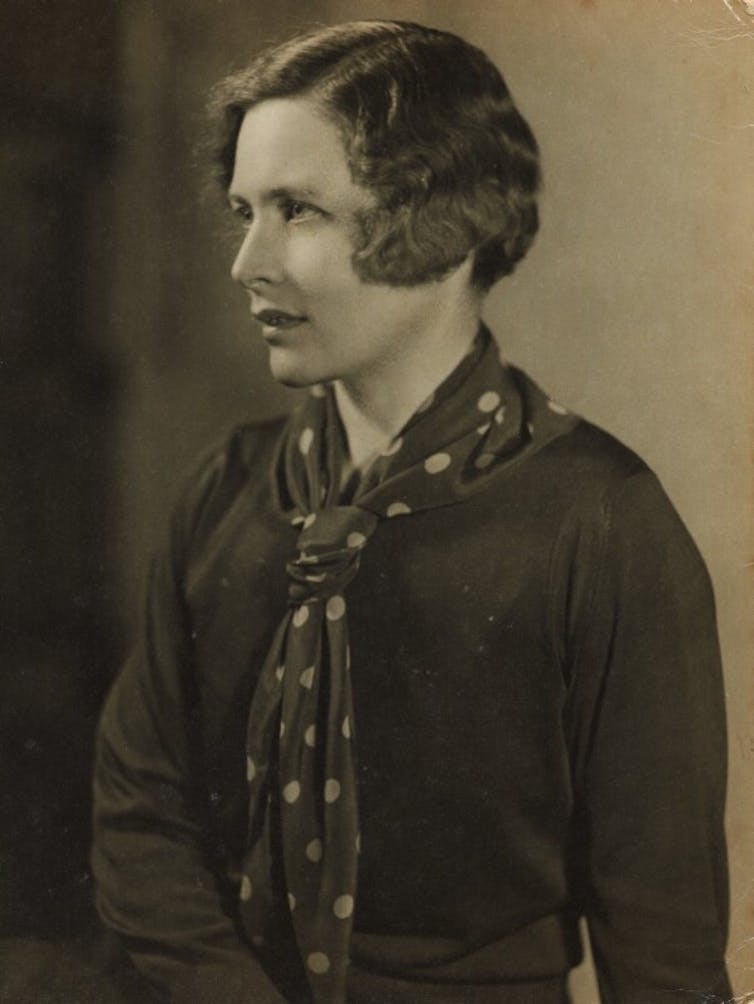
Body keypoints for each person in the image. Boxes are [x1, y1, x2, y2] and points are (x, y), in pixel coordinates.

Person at [91, 20, 732, 1004]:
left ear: (440, 223)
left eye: (297, 211)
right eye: (244, 211)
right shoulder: (226, 485)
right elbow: (141, 812)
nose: (246, 262)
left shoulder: (599, 519)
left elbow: (663, 944)